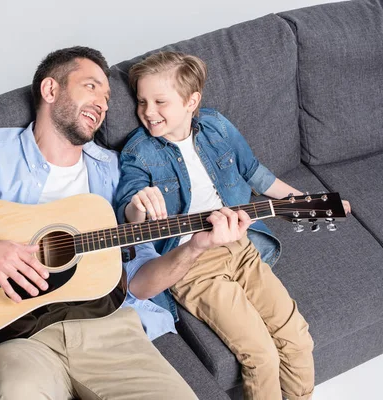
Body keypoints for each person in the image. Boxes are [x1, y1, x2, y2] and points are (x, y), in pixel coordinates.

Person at [0, 46, 221, 400]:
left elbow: (140, 284)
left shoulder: (119, 171)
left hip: (109, 329)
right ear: (50, 90)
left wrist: (195, 247)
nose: (102, 102)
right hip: (13, 340)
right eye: (90, 86)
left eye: (107, 96)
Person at [115, 51, 350, 400]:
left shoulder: (216, 126)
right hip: (192, 265)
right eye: (142, 101)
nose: (148, 112)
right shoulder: (138, 151)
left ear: (191, 101)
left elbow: (256, 174)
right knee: (261, 354)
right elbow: (128, 210)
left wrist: (307, 202)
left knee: (298, 337)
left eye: (160, 101)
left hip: (241, 244)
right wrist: (139, 206)